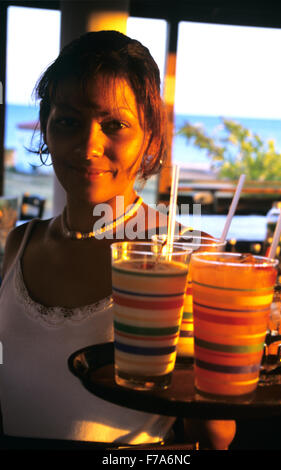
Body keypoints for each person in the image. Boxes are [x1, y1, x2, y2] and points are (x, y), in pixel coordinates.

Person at [0, 30, 235, 449]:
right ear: (46, 131)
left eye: (115, 125)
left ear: (149, 137)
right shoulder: (20, 244)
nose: (89, 146)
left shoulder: (191, 256)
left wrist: (209, 370)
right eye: (69, 122)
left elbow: (215, 437)